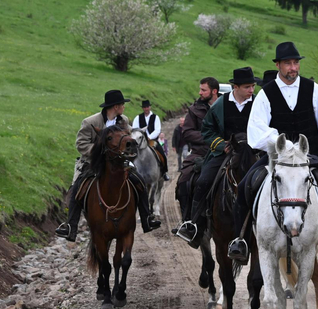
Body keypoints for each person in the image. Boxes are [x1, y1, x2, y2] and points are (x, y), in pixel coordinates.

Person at [230, 42, 318, 265]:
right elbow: (256, 129)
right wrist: (280, 142)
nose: (293, 68)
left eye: (296, 63)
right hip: (278, 157)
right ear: (278, 65)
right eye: (288, 63)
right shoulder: (266, 94)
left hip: (311, 155)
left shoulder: (313, 90)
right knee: (245, 186)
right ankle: (240, 241)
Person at [55, 90, 162, 241]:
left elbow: (128, 140)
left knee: (139, 182)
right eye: (122, 104)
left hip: (118, 163)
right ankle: (70, 227)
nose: (124, 107)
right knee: (77, 189)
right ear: (116, 106)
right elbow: (80, 144)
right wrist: (100, 152)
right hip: (92, 162)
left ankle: (147, 219)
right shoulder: (90, 122)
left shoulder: (123, 120)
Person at [175, 67, 257, 246]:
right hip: (225, 152)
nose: (251, 90)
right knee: (203, 181)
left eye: (252, 86)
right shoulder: (221, 104)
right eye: (247, 87)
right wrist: (221, 145)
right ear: (235, 87)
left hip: (252, 153)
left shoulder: (259, 103)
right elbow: (207, 130)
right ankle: (194, 224)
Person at [175, 78, 220, 224]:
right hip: (199, 153)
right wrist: (209, 138)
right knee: (183, 181)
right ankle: (188, 222)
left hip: (223, 152)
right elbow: (187, 133)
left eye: (203, 90)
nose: (200, 93)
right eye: (200, 89)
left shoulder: (225, 107)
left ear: (214, 91)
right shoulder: (194, 110)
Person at [132, 100, 170, 181]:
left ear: (150, 107)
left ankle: (164, 172)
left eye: (147, 107)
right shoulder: (138, 118)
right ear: (143, 108)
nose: (146, 109)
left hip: (152, 141)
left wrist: (149, 137)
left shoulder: (155, 117)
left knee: (161, 153)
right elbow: (135, 129)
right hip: (140, 141)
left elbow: (157, 130)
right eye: (144, 107)